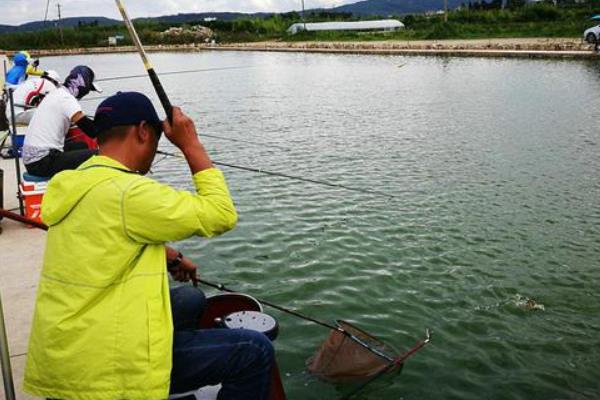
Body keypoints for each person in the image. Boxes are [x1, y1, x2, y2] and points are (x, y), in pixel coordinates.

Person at [23, 92, 275, 400]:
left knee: (190, 300)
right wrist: (190, 144)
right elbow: (221, 214)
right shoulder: (129, 193)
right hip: (105, 372)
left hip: (64, 354)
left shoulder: (73, 182)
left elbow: (102, 235)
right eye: (156, 141)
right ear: (143, 131)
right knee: (254, 350)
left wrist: (170, 256)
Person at [22, 65, 101, 178]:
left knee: (81, 145)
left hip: (32, 159)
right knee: (97, 155)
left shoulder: (56, 93)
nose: (87, 93)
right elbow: (91, 131)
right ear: (83, 85)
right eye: (89, 89)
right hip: (42, 162)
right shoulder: (66, 99)